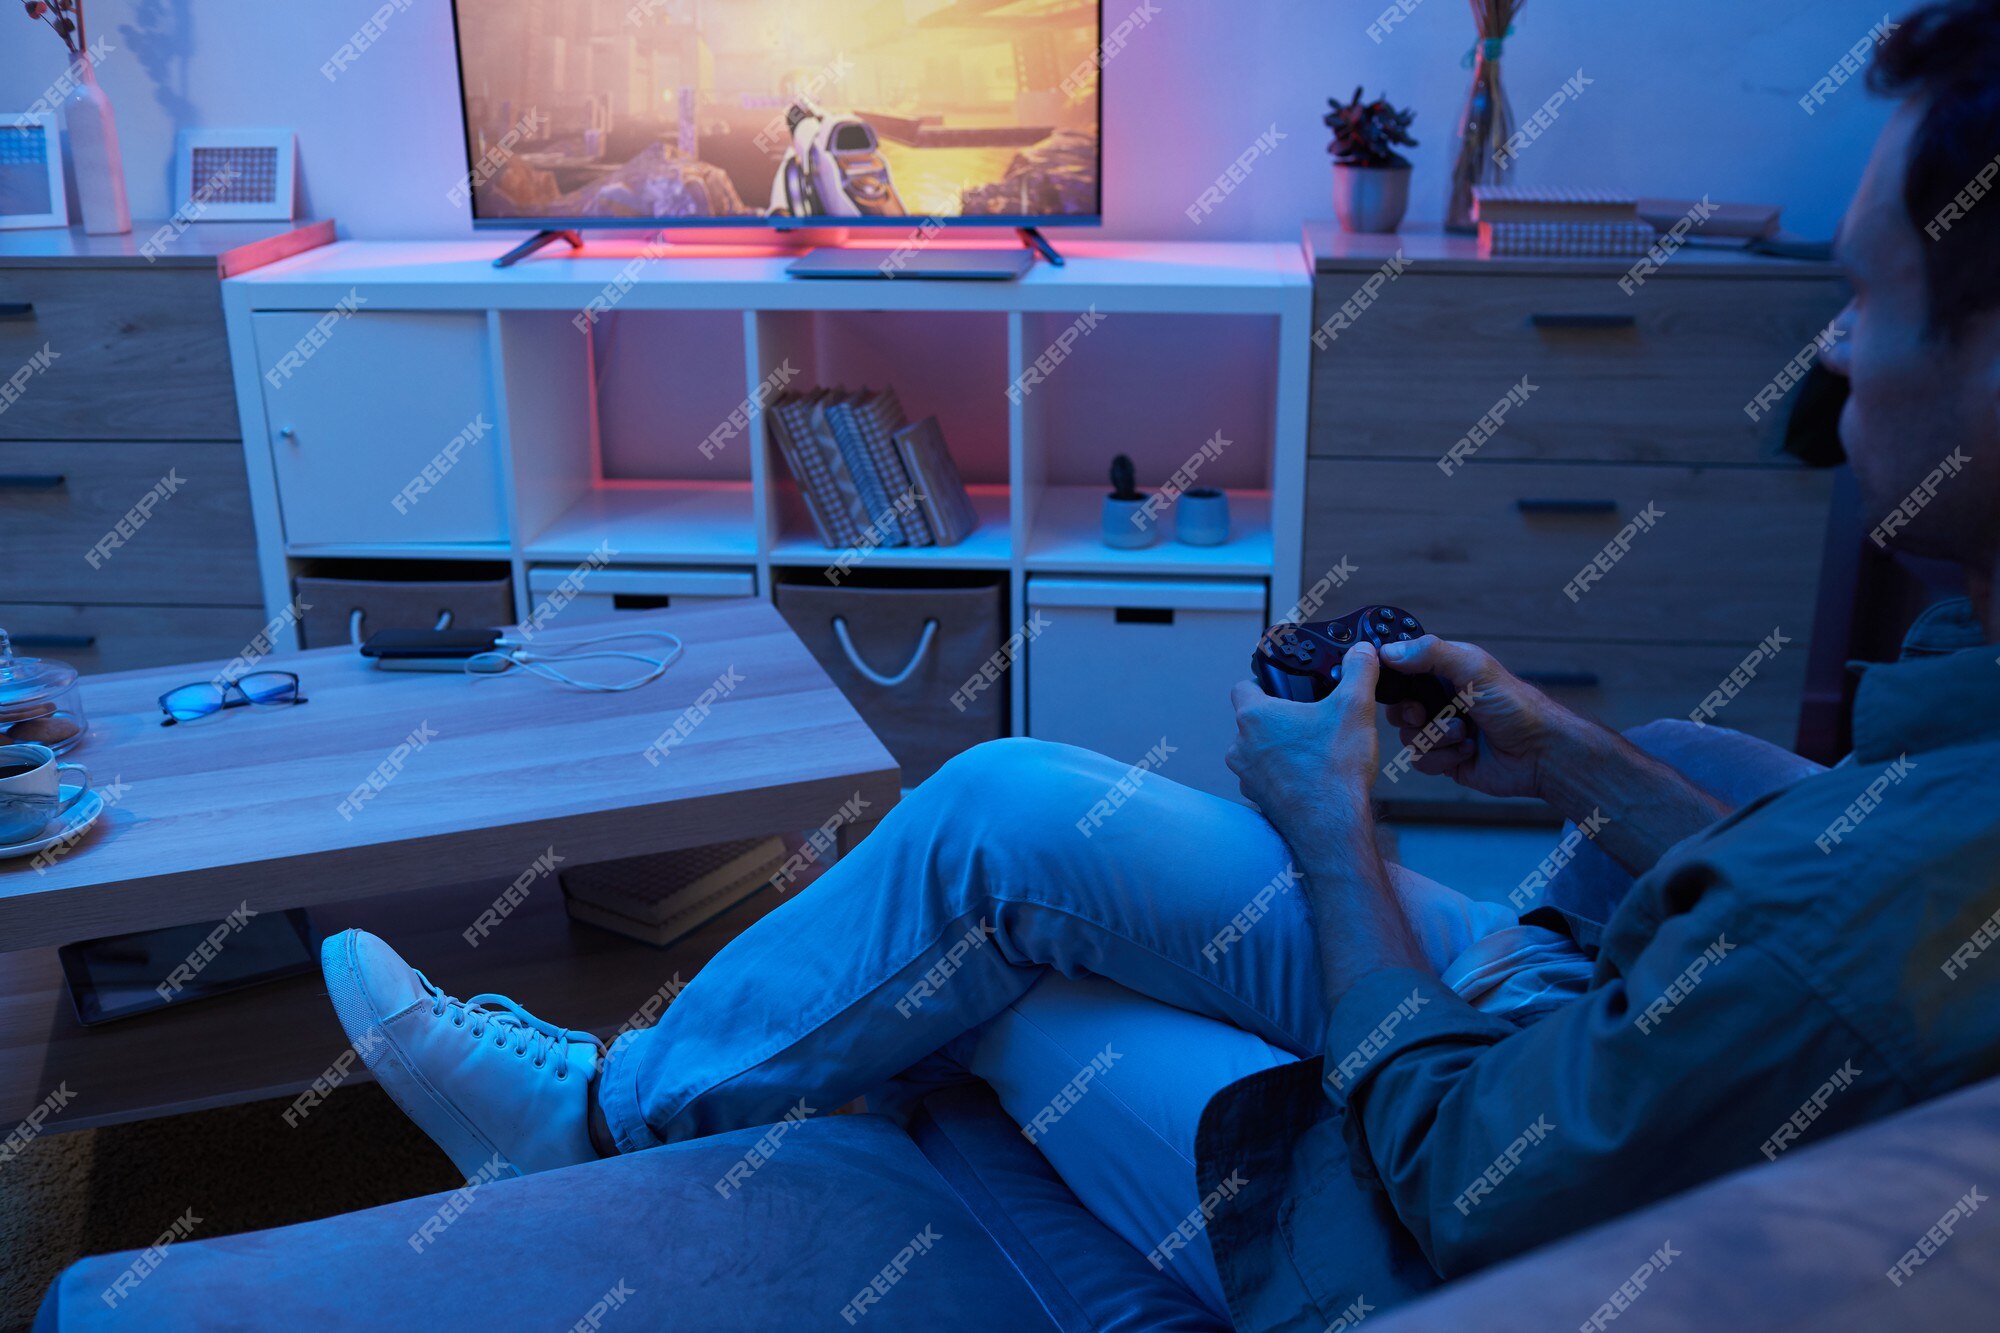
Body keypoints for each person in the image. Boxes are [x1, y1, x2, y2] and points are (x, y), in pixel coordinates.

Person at [318, 4, 2000, 1326]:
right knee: (995, 817)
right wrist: (1560, 746)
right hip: (1595, 1002)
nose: (1830, 346)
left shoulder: (1873, 913)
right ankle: (644, 1101)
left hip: (1437, 1192)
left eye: (1866, 298)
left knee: (997, 979)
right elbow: (1801, 899)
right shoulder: (1955, 722)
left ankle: (605, 1127)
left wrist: (1336, 827)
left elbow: (1474, 1177)